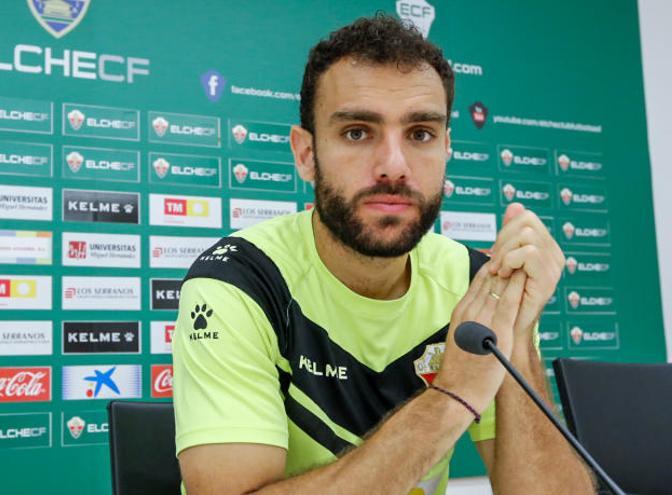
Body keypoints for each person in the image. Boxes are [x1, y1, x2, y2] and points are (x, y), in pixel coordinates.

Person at [172, 14, 595, 495]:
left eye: (420, 134)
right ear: (306, 154)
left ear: (447, 149)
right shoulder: (241, 283)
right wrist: (452, 396)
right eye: (357, 132)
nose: (394, 166)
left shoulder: (479, 285)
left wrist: (515, 332)